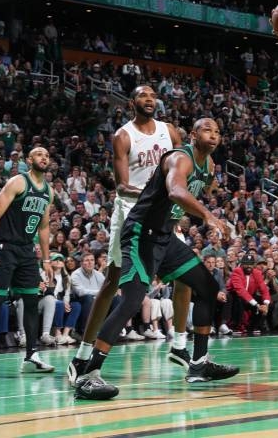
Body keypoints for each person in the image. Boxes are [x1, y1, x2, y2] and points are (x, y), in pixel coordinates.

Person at [72, 119, 238, 401]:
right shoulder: (179, 158)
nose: (214, 134)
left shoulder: (208, 167)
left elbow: (197, 192)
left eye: (218, 131)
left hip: (165, 237)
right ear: (194, 135)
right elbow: (175, 191)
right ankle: (88, 374)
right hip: (140, 233)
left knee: (208, 288)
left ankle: (198, 364)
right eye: (208, 129)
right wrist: (208, 216)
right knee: (132, 301)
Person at [69, 86, 190, 384]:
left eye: (152, 96)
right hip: (131, 212)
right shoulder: (123, 136)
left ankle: (180, 345)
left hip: (161, 215)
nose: (149, 99)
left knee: (186, 273)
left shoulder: (170, 132)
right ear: (132, 103)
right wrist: (157, 194)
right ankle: (83, 355)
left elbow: (183, 171)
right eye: (143, 96)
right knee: (113, 281)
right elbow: (121, 186)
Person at [0, 147, 55, 378]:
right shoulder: (18, 182)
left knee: (32, 302)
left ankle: (32, 354)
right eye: (39, 155)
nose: (43, 158)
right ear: (29, 160)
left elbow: (44, 227)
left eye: (46, 155)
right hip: (5, 249)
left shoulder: (48, 192)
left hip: (27, 251)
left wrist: (46, 259)